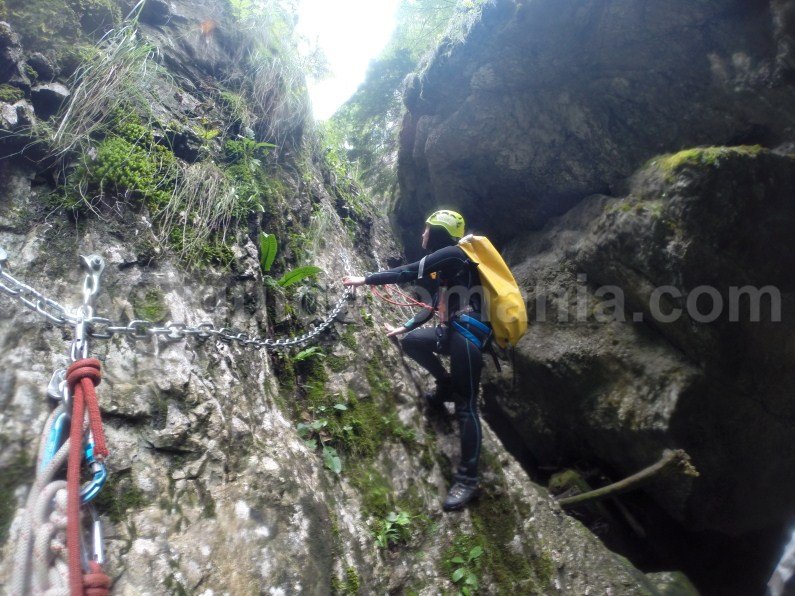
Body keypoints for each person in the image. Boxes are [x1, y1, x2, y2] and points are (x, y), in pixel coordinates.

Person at [342, 209, 491, 511]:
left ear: (437, 230)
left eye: (426, 229)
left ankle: (469, 479)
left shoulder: (452, 253)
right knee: (412, 343)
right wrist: (406, 327)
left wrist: (363, 279)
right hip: (453, 333)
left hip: (468, 337)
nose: (422, 235)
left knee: (466, 408)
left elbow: (404, 273)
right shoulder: (449, 267)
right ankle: (444, 383)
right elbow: (433, 305)